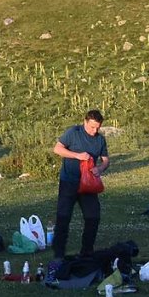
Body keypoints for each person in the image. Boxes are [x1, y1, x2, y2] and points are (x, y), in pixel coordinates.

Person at [51, 109, 110, 260]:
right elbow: (57, 149)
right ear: (85, 122)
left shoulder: (100, 140)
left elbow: (105, 160)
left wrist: (100, 168)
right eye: (92, 127)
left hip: (89, 185)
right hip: (69, 182)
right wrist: (77, 155)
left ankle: (86, 252)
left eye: (97, 127)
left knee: (93, 217)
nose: (94, 130)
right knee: (63, 217)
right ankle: (59, 254)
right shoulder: (73, 132)